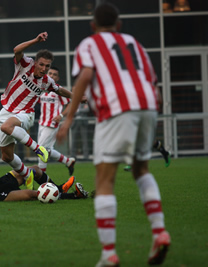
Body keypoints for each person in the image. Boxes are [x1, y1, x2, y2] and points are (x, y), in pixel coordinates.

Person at [56, 3, 170, 266]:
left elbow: (85, 74)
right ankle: (159, 231)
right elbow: (153, 83)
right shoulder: (135, 44)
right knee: (142, 171)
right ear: (119, 25)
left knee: (105, 180)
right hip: (148, 105)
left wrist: (69, 117)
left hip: (117, 109)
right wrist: (151, 115)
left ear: (93, 26)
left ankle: (108, 254)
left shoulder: (89, 43)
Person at [0, 32, 73, 191]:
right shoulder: (25, 64)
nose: (44, 69)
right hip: (6, 110)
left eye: (47, 66)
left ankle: (38, 149)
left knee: (5, 127)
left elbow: (60, 90)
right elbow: (16, 49)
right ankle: (27, 174)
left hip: (26, 113)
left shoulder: (47, 81)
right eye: (42, 65)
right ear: (36, 62)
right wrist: (36, 40)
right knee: (6, 156)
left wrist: (76, 96)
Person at [37, 66, 76, 175]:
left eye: (54, 74)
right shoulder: (42, 88)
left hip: (52, 124)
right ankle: (68, 161)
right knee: (46, 150)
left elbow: (71, 103)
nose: (52, 76)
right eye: (50, 73)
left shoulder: (58, 90)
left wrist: (61, 115)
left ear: (57, 78)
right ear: (46, 74)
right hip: (42, 123)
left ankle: (42, 178)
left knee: (41, 150)